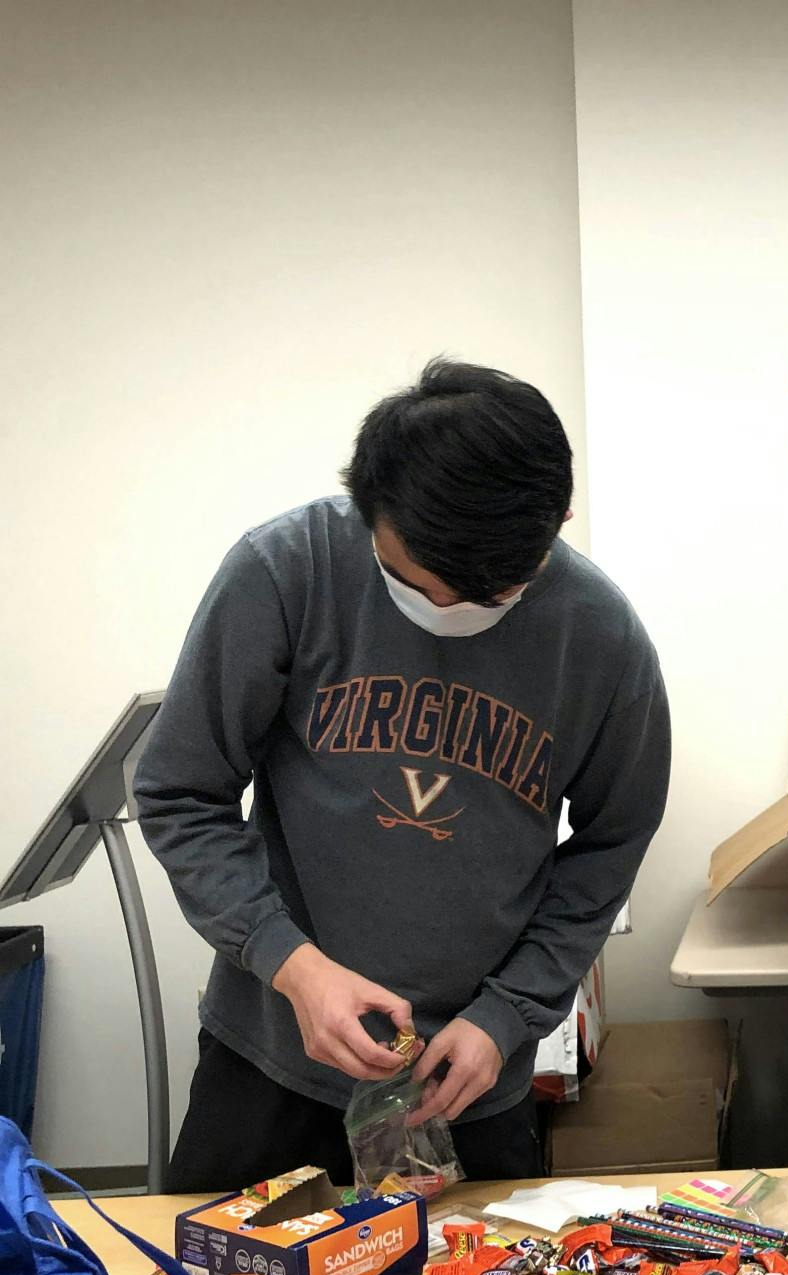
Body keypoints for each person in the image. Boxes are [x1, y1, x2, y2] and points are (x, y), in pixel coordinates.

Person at [137, 359, 671, 1190]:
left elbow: (612, 844)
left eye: (489, 597)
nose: (446, 612)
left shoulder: (601, 638)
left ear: (558, 522)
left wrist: (508, 1013)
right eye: (413, 582)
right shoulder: (287, 571)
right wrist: (292, 965)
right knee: (211, 1273)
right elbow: (179, 792)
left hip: (468, 1078)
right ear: (368, 510)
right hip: (274, 1060)